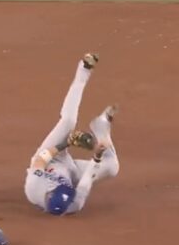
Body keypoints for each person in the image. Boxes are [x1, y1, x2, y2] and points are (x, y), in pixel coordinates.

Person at [24, 53, 120, 215]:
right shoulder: (75, 203)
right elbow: (88, 177)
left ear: (49, 194)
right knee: (112, 167)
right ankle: (101, 127)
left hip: (50, 159)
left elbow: (41, 159)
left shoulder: (33, 188)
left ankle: (84, 70)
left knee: (68, 121)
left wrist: (66, 143)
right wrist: (97, 156)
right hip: (71, 171)